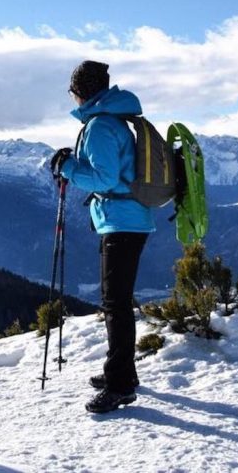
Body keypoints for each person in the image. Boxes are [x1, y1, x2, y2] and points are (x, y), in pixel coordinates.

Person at [50, 60, 154, 414]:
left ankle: (120, 385)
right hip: (128, 219)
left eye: (73, 91)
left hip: (121, 221)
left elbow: (105, 179)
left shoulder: (99, 126)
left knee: (116, 304)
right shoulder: (116, 121)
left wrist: (67, 167)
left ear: (81, 91)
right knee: (118, 302)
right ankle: (123, 373)